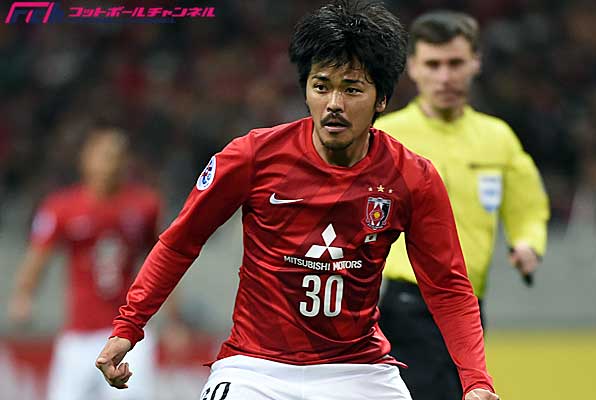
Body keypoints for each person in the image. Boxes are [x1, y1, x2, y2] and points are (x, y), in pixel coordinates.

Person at [96, 2, 499, 399]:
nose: (334, 104)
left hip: (358, 369)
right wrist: (128, 327)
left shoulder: (412, 177)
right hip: (255, 368)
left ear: (381, 99)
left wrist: (476, 381)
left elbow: (447, 287)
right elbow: (180, 242)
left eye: (352, 89)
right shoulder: (252, 157)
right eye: (321, 86)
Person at [374, 10, 550, 400]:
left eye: (455, 63)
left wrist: (527, 242)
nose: (445, 77)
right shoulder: (386, 137)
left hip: (468, 306)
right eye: (433, 64)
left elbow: (527, 204)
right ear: (413, 68)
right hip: (406, 303)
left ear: (476, 63)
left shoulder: (496, 138)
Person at [7, 128, 163, 400]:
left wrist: (173, 315)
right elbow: (39, 255)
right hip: (79, 336)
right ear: (86, 160)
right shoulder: (61, 207)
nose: (109, 164)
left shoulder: (144, 205)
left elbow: (160, 260)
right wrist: (23, 295)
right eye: (103, 156)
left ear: (126, 162)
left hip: (129, 332)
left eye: (115, 156)